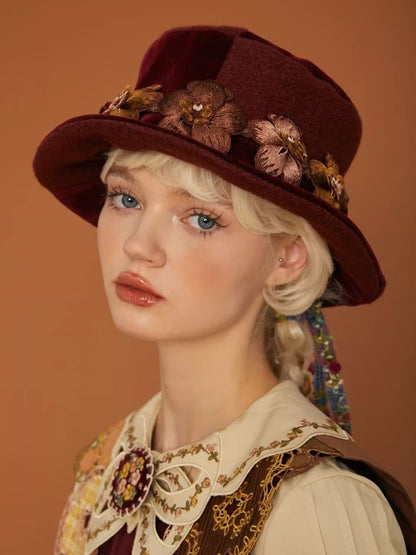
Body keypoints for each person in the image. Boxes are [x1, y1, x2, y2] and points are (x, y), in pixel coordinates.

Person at [33, 25, 415, 554]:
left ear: (287, 258)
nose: (139, 246)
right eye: (126, 198)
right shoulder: (104, 473)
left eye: (201, 219)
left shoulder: (316, 505)